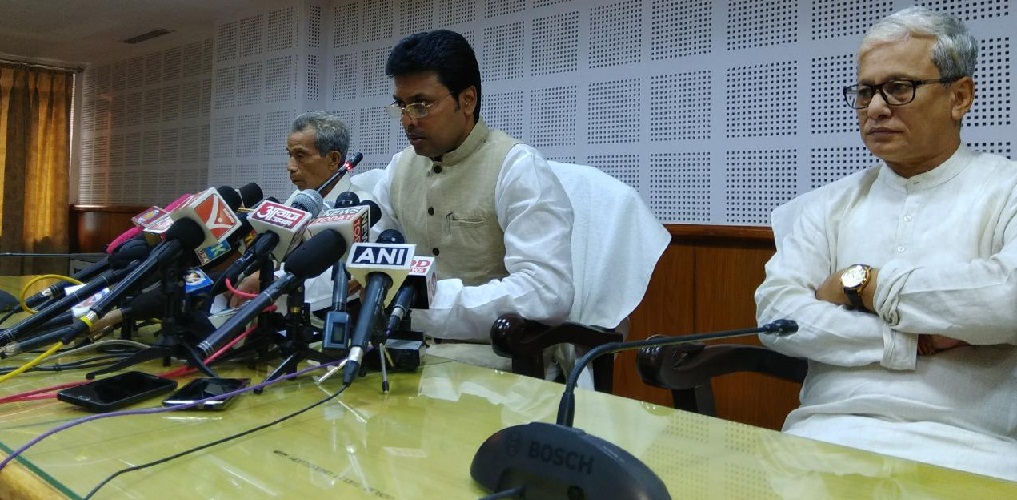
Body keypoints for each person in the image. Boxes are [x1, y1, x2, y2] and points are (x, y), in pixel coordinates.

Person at [755, 6, 1017, 481]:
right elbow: (777, 319)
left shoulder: (1006, 190)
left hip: (973, 447)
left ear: (960, 97)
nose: (876, 107)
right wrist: (907, 341)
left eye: (899, 88)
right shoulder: (826, 206)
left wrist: (866, 285)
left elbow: (1008, 298)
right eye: (865, 91)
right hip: (826, 437)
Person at [370, 29, 574, 342]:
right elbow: (371, 258)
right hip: (403, 350)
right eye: (401, 106)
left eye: (421, 105)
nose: (408, 121)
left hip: (492, 360)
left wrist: (429, 305)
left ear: (467, 100)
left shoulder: (517, 167)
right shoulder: (399, 168)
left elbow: (546, 292)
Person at [227, 111, 353, 309]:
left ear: (333, 159)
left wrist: (272, 282)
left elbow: (344, 277)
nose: (290, 166)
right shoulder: (297, 199)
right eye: (290, 155)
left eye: (300, 156)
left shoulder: (360, 205)